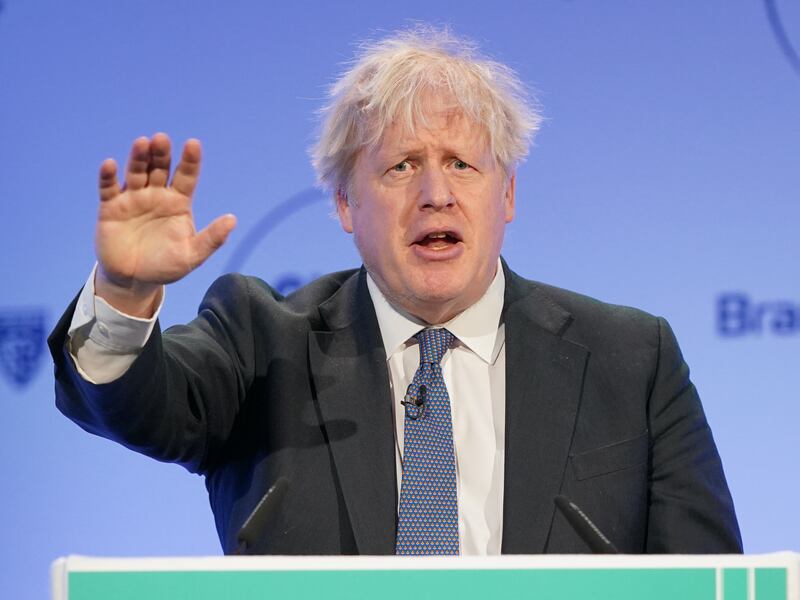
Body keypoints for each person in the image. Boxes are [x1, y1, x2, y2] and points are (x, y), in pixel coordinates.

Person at [49, 26, 742, 555]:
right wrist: (124, 293)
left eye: (462, 164)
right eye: (402, 166)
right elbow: (140, 408)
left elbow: (707, 577)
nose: (436, 193)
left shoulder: (632, 361)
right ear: (346, 204)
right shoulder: (262, 343)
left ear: (507, 195)